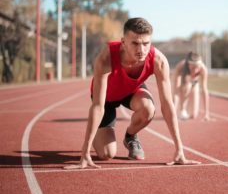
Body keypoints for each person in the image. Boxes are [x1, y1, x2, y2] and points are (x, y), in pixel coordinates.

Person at [65, 17, 200, 169]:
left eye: (145, 43)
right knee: (106, 154)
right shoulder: (106, 58)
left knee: (148, 108)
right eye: (135, 43)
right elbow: (98, 106)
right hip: (106, 98)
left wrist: (179, 149)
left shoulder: (159, 61)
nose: (141, 50)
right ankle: (98, 134)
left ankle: (130, 136)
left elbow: (167, 105)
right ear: (123, 42)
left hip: (131, 91)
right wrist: (85, 153)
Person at [172, 52, 210, 121]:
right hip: (183, 82)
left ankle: (186, 111)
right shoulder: (180, 67)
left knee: (193, 115)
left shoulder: (203, 69)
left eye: (197, 67)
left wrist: (206, 113)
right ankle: (182, 110)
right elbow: (176, 91)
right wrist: (173, 112)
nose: (195, 70)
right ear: (189, 65)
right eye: (193, 68)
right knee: (187, 87)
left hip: (195, 82)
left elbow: (204, 90)